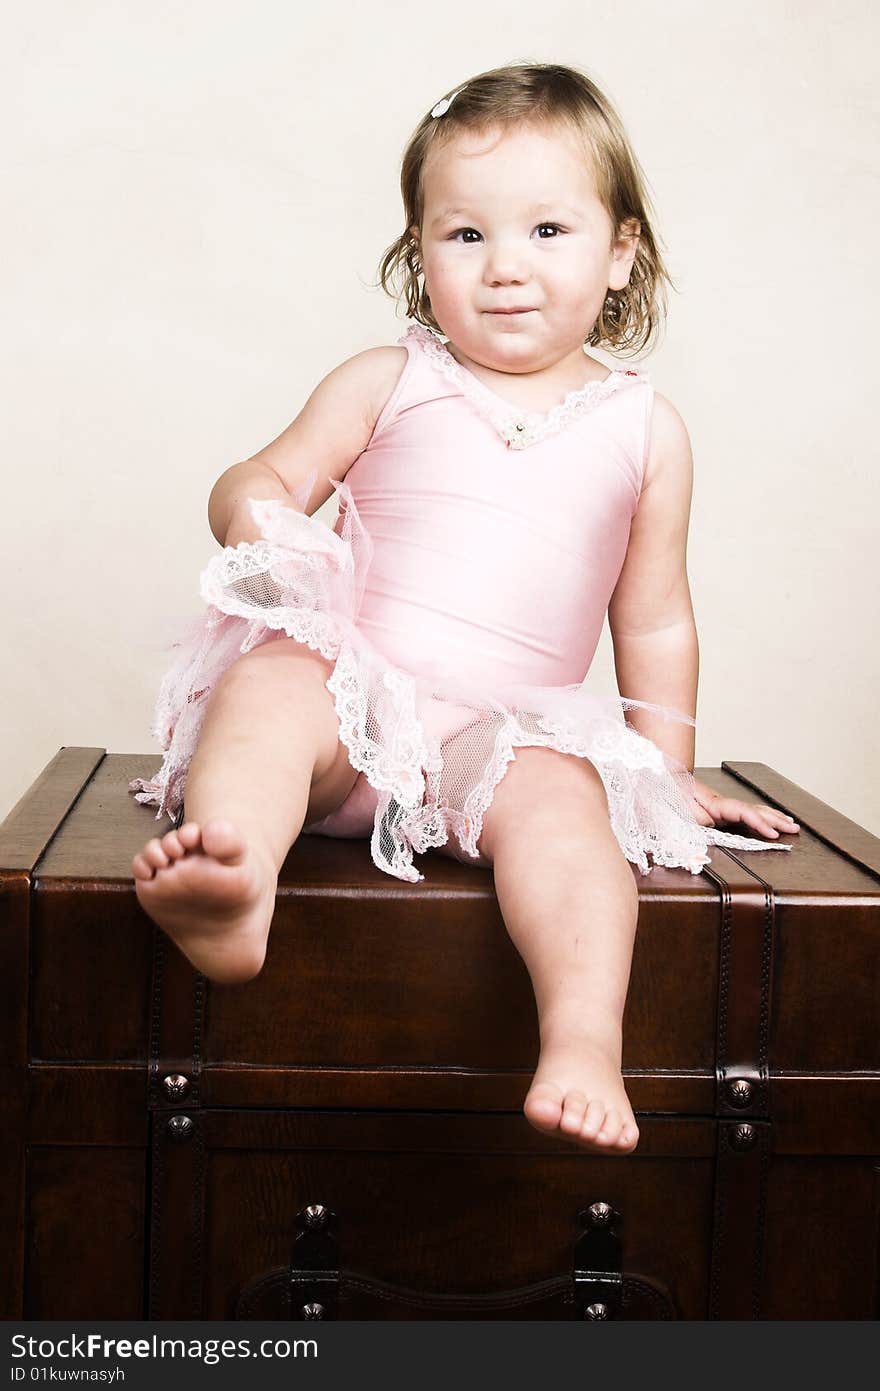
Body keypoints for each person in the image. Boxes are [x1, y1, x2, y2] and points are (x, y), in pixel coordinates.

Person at [129, 62, 799, 1155]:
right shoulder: (389, 376)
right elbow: (259, 475)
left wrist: (665, 768)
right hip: (356, 702)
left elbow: (657, 620)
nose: (505, 271)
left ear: (621, 250)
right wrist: (253, 505)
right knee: (270, 682)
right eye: (464, 236)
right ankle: (234, 874)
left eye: (545, 230)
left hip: (500, 732)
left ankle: (582, 1037)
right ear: (416, 250)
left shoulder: (643, 428)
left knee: (567, 813)